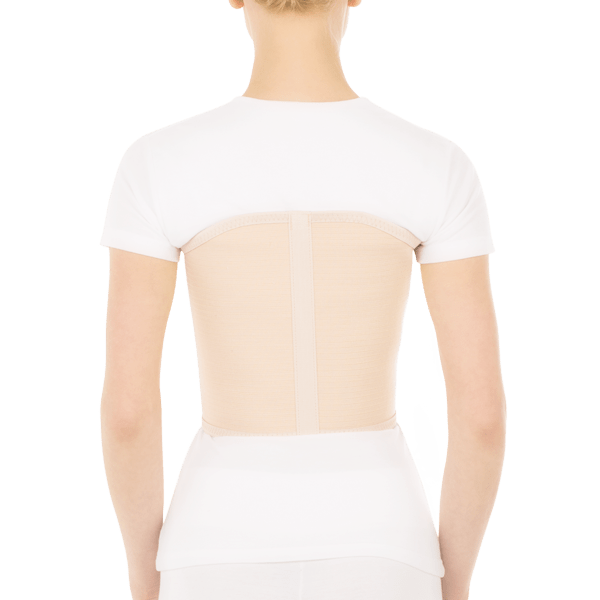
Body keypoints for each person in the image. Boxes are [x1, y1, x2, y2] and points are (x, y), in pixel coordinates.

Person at [98, 1, 508, 599]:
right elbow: (482, 418)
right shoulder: (436, 163)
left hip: (214, 538)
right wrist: (451, 582)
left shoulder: (157, 162)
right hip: (383, 539)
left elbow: (128, 414)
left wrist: (146, 577)